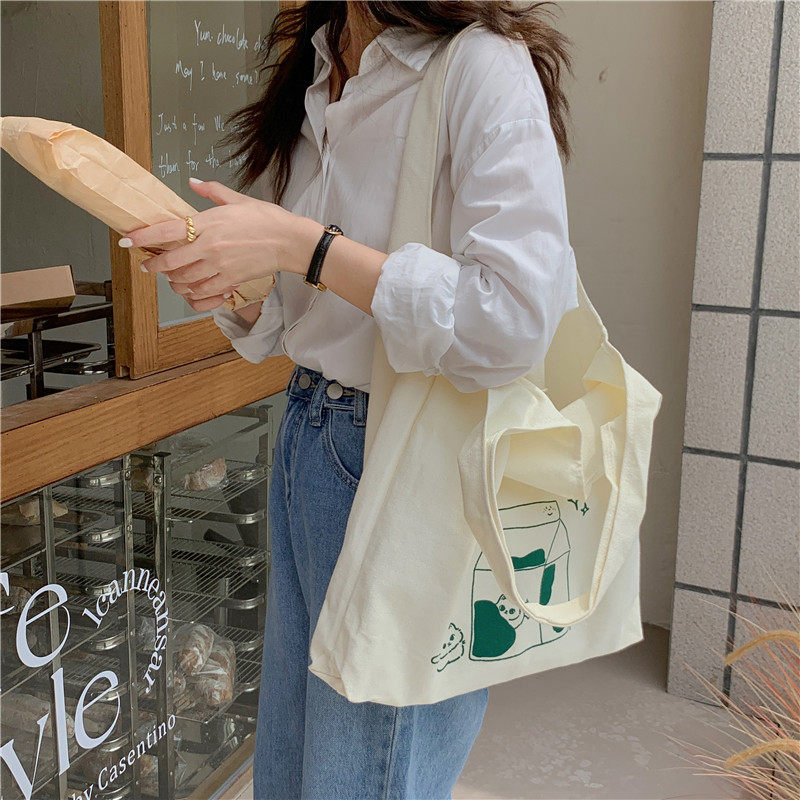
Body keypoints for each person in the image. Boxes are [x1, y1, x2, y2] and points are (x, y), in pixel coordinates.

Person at [119, 2, 577, 797]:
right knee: (294, 767)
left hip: (408, 451)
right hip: (307, 434)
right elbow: (300, 316)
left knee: (363, 773)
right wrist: (235, 282)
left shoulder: (479, 64)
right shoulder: (320, 65)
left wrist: (304, 246)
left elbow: (512, 320)